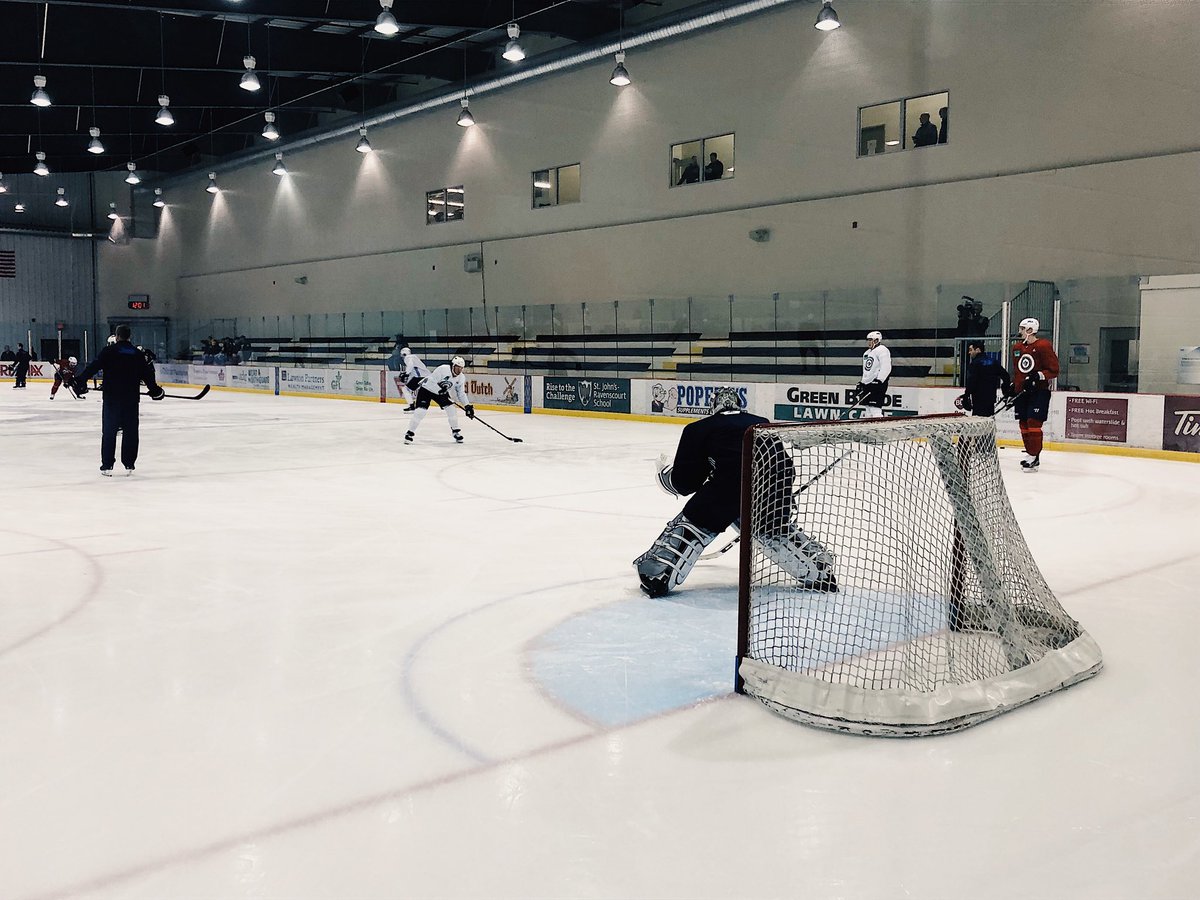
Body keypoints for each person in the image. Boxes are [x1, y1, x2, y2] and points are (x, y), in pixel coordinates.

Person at [633, 387, 836, 597]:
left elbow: (685, 483)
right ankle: (819, 571)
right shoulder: (761, 422)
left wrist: (666, 477)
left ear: (714, 406)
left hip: (730, 488)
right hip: (777, 485)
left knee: (698, 518)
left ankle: (659, 573)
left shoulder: (699, 428)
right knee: (771, 526)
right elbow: (781, 464)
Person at [72, 324, 165, 476]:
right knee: (130, 431)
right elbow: (148, 375)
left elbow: (93, 367)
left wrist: (80, 381)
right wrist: (155, 391)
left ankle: (107, 465)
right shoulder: (137, 354)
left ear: (116, 336)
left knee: (109, 431)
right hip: (131, 399)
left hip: (112, 398)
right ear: (129, 337)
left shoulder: (109, 351)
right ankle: (129, 464)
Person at [1011, 317, 1059, 472]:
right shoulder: (1017, 348)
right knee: (1023, 423)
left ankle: (1034, 455)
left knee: (1034, 423)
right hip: (1022, 392)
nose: (1020, 332)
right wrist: (1014, 385)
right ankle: (1030, 454)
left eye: (1022, 328)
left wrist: (1038, 376)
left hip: (1039, 392)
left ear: (1030, 330)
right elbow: (1019, 371)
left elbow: (1054, 370)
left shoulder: (1043, 346)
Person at [404, 355, 473, 445]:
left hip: (441, 393)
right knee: (420, 412)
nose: (459, 370)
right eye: (457, 367)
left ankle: (455, 431)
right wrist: (440, 390)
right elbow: (432, 381)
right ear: (452, 366)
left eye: (461, 368)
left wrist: (467, 406)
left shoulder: (461, 378)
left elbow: (461, 393)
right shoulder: (443, 369)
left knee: (451, 409)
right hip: (427, 389)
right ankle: (409, 433)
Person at [956, 341, 1012, 417]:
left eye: (971, 350)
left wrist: (966, 395)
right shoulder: (993, 362)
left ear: (978, 350)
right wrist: (1005, 390)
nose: (969, 352)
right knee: (989, 420)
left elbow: (972, 381)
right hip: (990, 398)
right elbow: (1006, 376)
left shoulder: (975, 364)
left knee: (979, 422)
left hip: (978, 399)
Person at [854, 330, 892, 417]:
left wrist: (879, 380)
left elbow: (886, 367)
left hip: (878, 384)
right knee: (867, 409)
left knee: (875, 409)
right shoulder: (867, 353)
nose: (869, 342)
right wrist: (862, 383)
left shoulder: (882, 350)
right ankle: (869, 429)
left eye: (871, 340)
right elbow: (867, 371)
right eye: (868, 340)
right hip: (868, 384)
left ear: (876, 340)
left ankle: (879, 428)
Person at [400, 346, 431, 412]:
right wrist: (406, 373)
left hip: (421, 377)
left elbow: (410, 365)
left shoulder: (408, 357)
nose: (402, 357)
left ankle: (411, 406)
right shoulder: (413, 357)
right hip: (424, 376)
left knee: (405, 389)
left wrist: (406, 374)